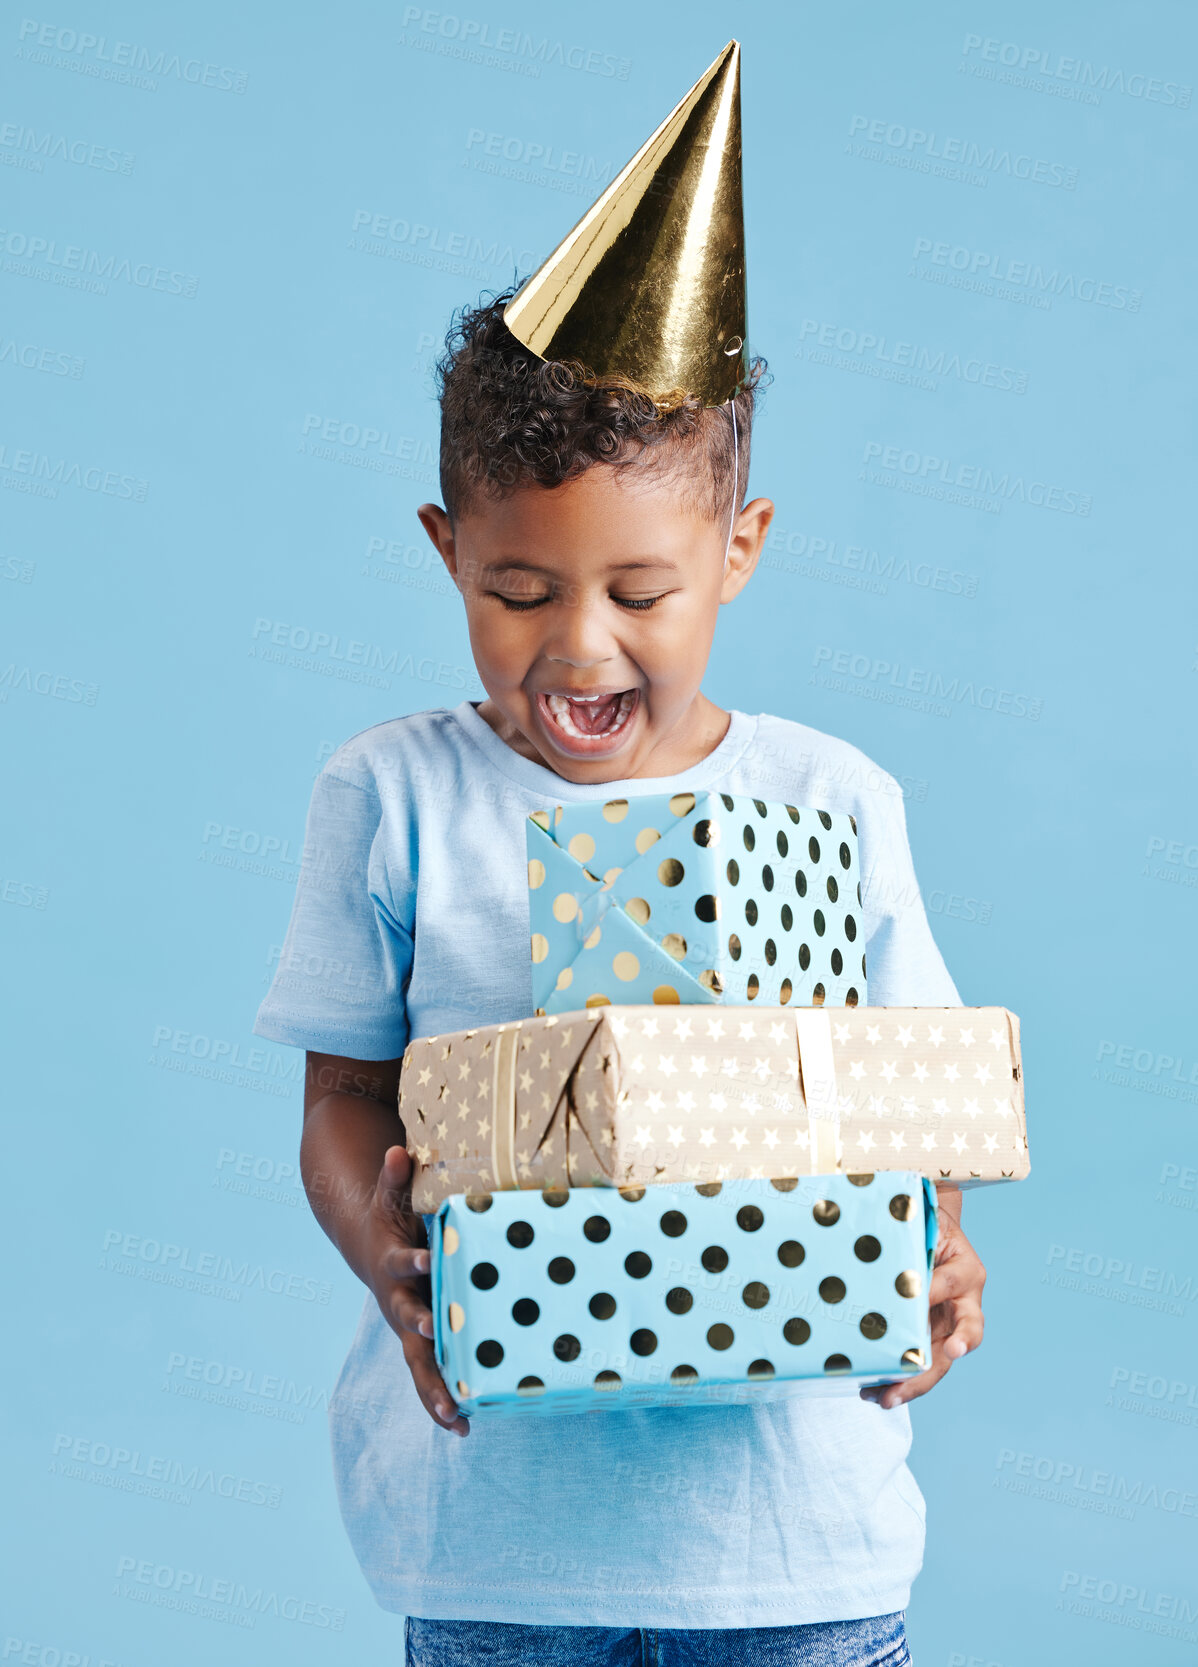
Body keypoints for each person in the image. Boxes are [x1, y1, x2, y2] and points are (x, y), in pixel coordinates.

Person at [253, 288, 986, 1666]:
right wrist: (394, 1263)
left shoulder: (829, 797)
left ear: (738, 548)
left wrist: (929, 1247)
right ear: (446, 550)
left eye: (640, 593)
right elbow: (344, 1097)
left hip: (792, 1555)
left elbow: (904, 1101)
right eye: (516, 592)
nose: (579, 647)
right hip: (495, 1552)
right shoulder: (390, 793)